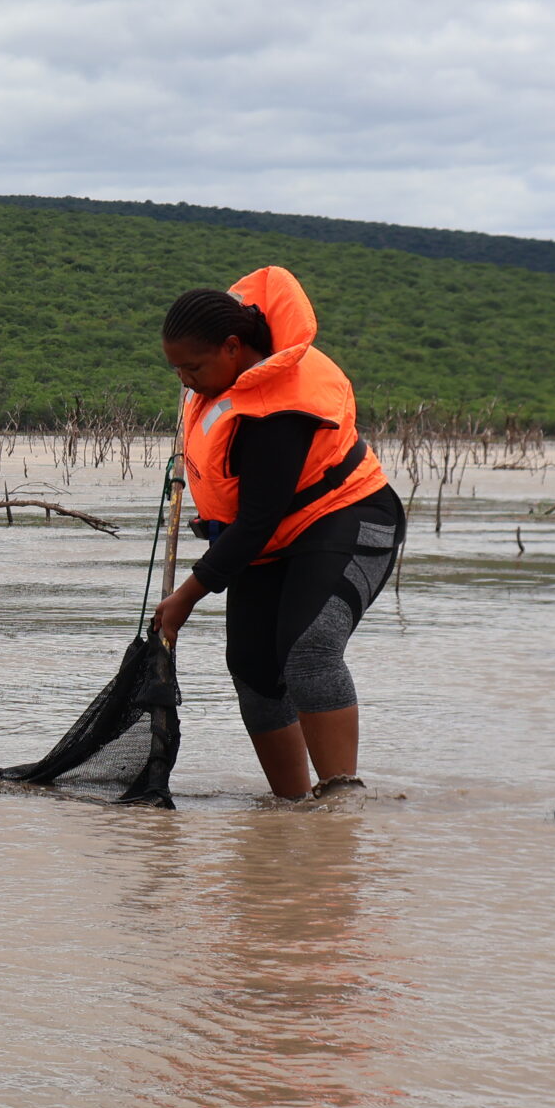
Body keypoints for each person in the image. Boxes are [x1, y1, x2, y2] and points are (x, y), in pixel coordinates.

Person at [151, 266, 403, 799]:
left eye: (192, 368)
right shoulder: (223, 383)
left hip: (348, 516)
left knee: (309, 650)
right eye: (176, 370)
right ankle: (291, 806)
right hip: (272, 539)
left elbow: (258, 520)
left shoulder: (279, 409)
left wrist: (186, 597)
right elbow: (250, 514)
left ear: (233, 347)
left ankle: (340, 802)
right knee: (252, 663)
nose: (185, 382)